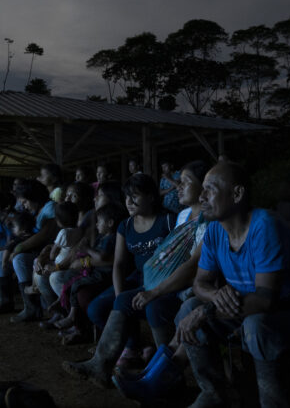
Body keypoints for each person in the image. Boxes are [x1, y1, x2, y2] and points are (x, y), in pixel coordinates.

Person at [158, 162, 290, 407]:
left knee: (255, 325)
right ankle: (215, 394)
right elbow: (200, 283)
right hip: (255, 314)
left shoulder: (265, 225)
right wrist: (214, 295)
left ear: (237, 194)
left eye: (210, 189)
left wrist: (206, 310)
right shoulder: (215, 231)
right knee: (189, 308)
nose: (202, 196)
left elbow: (265, 300)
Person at [62, 161, 209, 389]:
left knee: (154, 306)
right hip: (156, 281)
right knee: (122, 299)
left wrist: (155, 292)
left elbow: (191, 264)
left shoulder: (180, 219)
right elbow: (122, 263)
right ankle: (101, 365)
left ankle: (168, 377)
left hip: (181, 286)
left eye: (185, 182)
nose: (178, 186)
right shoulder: (183, 217)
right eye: (126, 197)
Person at [81, 173, 176, 373]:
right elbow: (119, 263)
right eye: (126, 197)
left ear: (151, 196)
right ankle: (132, 348)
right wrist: (119, 295)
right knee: (96, 308)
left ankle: (159, 367)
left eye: (135, 196)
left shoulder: (168, 221)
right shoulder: (126, 225)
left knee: (148, 307)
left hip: (162, 280)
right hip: (138, 278)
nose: (129, 202)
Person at [46, 202, 127, 341]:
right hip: (95, 269)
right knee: (70, 277)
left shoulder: (112, 239)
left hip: (103, 274)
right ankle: (63, 303)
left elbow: (102, 257)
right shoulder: (102, 237)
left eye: (99, 222)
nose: (96, 225)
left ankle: (72, 316)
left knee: (77, 285)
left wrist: (87, 250)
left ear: (110, 223)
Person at [0, 179, 58, 322]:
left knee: (19, 259)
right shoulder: (35, 211)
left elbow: (45, 234)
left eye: (26, 201)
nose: (24, 205)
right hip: (34, 251)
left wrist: (18, 248)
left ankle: (32, 308)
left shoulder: (50, 208)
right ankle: (6, 300)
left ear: (34, 197)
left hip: (46, 252)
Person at [31, 202, 83, 309]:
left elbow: (53, 254)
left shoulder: (63, 233)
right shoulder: (79, 230)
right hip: (69, 263)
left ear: (58, 220)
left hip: (61, 265)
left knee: (39, 268)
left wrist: (50, 254)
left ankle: (35, 288)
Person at [0, 211, 35, 315]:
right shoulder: (31, 234)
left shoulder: (17, 239)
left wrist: (4, 262)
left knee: (16, 259)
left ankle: (31, 308)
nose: (13, 229)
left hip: (29, 261)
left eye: (15, 227)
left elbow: (8, 249)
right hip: (33, 259)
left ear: (22, 230)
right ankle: (5, 301)